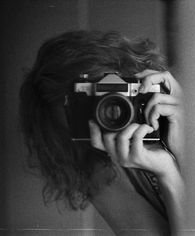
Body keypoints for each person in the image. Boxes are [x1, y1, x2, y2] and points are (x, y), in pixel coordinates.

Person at [19, 30, 185, 236]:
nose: (110, 111)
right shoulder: (103, 176)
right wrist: (166, 173)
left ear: (129, 74)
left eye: (107, 92)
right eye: (86, 108)